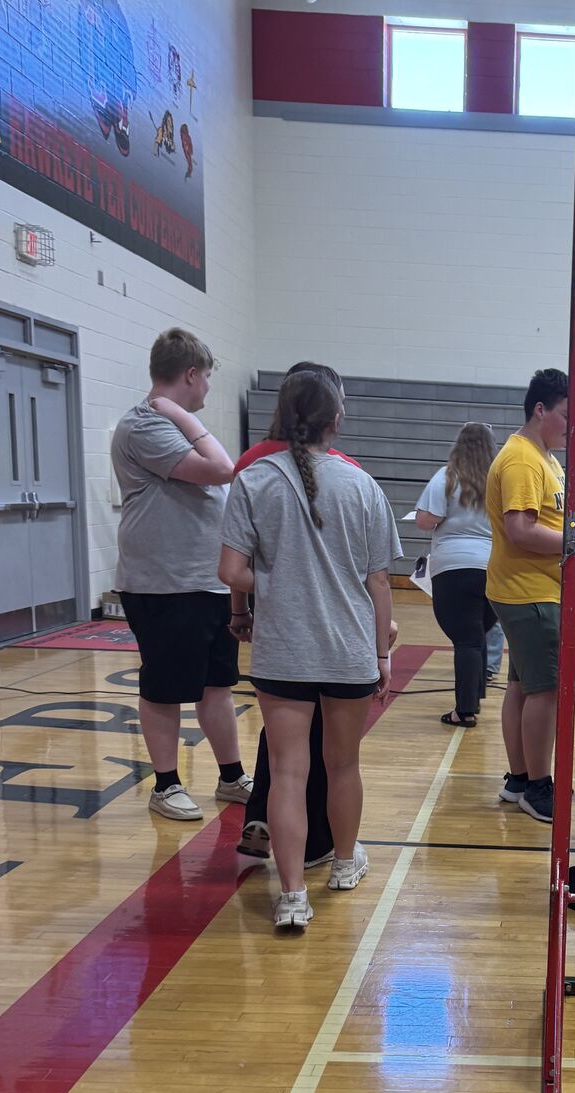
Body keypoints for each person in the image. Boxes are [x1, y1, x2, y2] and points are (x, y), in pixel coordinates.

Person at [219, 369, 401, 931]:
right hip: (348, 650)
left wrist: (253, 602)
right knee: (342, 764)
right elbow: (379, 582)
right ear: (335, 420)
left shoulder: (253, 481)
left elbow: (231, 570)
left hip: (283, 653)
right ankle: (345, 863)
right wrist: (382, 653)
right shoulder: (362, 485)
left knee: (288, 772)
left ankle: (293, 895)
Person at [112, 328, 252, 820]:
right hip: (165, 583)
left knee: (217, 684)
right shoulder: (148, 423)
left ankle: (232, 776)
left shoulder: (172, 424)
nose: (209, 387)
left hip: (205, 580)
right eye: (208, 376)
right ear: (190, 374)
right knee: (166, 686)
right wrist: (178, 413)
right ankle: (165, 785)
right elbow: (221, 468)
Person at [233, 361, 360, 869]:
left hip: (276, 631)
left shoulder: (250, 464)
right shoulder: (346, 472)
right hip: (330, 631)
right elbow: (364, 572)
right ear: (331, 414)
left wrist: (240, 608)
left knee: (284, 740)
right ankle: (319, 847)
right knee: (325, 750)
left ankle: (263, 817)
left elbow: (234, 559)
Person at [485, 368, 569, 825]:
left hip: (532, 590)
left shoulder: (543, 457)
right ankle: (538, 786)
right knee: (545, 692)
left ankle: (519, 778)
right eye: (563, 416)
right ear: (540, 410)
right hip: (530, 593)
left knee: (521, 686)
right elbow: (520, 530)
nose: (569, 427)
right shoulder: (522, 460)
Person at [414, 423, 498, 727]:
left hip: (453, 566)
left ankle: (464, 710)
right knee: (477, 635)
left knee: (466, 639)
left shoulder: (447, 476)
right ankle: (474, 696)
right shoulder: (500, 478)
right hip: (492, 566)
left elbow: (425, 520)